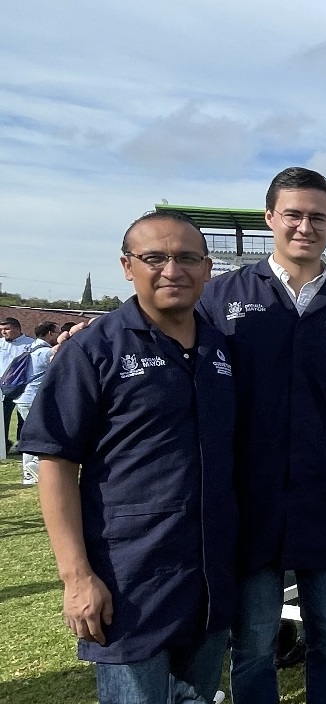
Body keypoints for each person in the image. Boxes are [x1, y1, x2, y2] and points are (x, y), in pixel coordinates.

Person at [20, 211, 236, 703]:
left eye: (187, 258)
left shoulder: (220, 350)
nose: (172, 270)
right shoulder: (95, 349)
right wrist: (76, 577)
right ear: (126, 266)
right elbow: (54, 463)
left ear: (207, 269)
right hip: (129, 576)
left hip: (208, 573)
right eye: (154, 258)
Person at [196, 166, 326, 704]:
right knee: (254, 641)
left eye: (318, 217)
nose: (305, 226)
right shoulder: (220, 298)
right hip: (247, 502)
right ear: (269, 219)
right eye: (294, 214)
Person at [14, 321, 56, 484]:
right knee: (45, 433)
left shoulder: (30, 347)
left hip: (22, 397)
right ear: (50, 333)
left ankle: (29, 474)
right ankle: (35, 465)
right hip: (34, 398)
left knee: (30, 434)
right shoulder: (46, 351)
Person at [0, 317, 34, 453]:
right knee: (3, 417)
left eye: (6, 329)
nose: (3, 332)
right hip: (3, 387)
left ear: (17, 329)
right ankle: (4, 444)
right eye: (1, 329)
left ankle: (22, 444)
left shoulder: (31, 344)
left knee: (23, 418)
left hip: (22, 386)